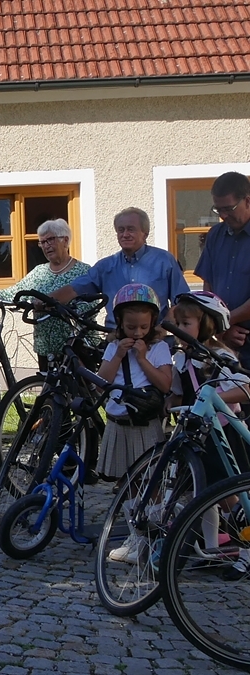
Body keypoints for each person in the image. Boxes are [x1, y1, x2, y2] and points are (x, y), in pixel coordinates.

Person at [165, 291, 250, 563]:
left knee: (230, 498)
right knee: (205, 495)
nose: (179, 330)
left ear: (207, 326)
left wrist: (212, 399)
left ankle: (245, 548)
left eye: (186, 324)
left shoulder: (220, 356)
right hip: (198, 434)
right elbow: (178, 393)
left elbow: (245, 389)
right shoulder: (183, 359)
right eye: (177, 324)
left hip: (223, 434)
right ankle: (211, 548)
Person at [0, 218, 93, 372]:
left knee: (79, 393)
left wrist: (57, 304)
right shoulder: (39, 272)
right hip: (45, 349)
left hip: (75, 349)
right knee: (49, 393)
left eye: (50, 240)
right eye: (42, 242)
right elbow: (12, 293)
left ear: (65, 241)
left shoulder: (84, 272)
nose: (46, 246)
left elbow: (90, 305)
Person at [52, 207, 189, 330]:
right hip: (116, 341)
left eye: (131, 229)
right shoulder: (105, 266)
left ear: (145, 233)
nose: (125, 234)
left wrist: (165, 328)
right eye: (121, 230)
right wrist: (42, 301)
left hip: (155, 341)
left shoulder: (164, 261)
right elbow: (75, 289)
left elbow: (183, 300)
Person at [95, 284, 173, 486]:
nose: (138, 332)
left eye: (144, 327)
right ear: (120, 322)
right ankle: (130, 515)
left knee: (150, 480)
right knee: (124, 482)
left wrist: (142, 359)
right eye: (131, 327)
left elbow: (165, 384)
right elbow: (101, 383)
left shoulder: (159, 347)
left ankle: (151, 516)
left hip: (145, 423)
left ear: (153, 322)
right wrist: (119, 355)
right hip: (118, 422)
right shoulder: (114, 347)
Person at [195, 171, 250, 369]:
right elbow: (207, 287)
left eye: (228, 208)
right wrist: (220, 328)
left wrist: (222, 323)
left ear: (248, 201)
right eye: (218, 210)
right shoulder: (215, 235)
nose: (223, 216)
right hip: (223, 340)